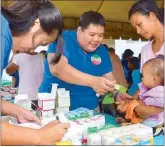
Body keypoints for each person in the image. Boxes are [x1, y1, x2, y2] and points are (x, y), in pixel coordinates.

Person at [1, 0, 70, 145]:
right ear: (36, 23)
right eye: (42, 43)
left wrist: (18, 111)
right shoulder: (2, 36)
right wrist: (40, 136)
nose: (33, 50)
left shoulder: (5, 36)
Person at [39, 11, 132, 111]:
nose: (96, 39)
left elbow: (109, 79)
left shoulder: (102, 50)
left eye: (100, 36)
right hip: (55, 108)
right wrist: (93, 81)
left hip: (90, 110)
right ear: (79, 30)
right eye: (92, 35)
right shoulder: (62, 39)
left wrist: (117, 92)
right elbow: (57, 68)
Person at [117, 0, 164, 123]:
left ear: (152, 16)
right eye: (135, 28)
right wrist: (131, 101)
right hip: (152, 122)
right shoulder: (145, 50)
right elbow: (146, 84)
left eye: (139, 24)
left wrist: (153, 109)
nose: (138, 31)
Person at [116, 55, 164, 135]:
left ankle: (131, 126)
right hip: (145, 117)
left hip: (155, 120)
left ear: (154, 79)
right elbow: (136, 95)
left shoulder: (160, 90)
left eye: (143, 76)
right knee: (140, 122)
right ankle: (130, 123)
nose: (141, 78)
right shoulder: (146, 86)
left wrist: (147, 102)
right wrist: (130, 102)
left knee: (144, 129)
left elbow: (162, 102)